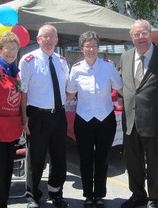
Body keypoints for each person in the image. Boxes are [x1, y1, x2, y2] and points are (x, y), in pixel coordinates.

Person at [118, 19, 158, 208]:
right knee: (132, 161)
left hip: (155, 121)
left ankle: (156, 198)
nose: (140, 37)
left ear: (151, 34)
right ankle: (137, 194)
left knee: (155, 162)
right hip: (130, 120)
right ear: (131, 37)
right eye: (136, 34)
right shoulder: (125, 57)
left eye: (144, 33)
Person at [66, 31, 122, 208]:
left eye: (94, 46)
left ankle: (100, 194)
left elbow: (120, 88)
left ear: (98, 48)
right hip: (84, 119)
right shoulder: (75, 69)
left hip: (106, 118)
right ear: (82, 48)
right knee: (85, 159)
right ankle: (88, 195)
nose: (91, 49)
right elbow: (68, 94)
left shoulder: (108, 66)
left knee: (103, 159)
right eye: (87, 46)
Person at [19, 24, 69, 208]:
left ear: (57, 40)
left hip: (59, 115)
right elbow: (22, 91)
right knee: (36, 158)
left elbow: (67, 89)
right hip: (37, 115)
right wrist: (23, 117)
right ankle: (32, 195)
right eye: (44, 37)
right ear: (38, 39)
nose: (48, 40)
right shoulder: (28, 60)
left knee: (59, 157)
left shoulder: (62, 61)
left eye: (52, 37)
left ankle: (56, 192)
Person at [0, 32, 23, 208]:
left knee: (7, 173)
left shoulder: (16, 72)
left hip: (11, 131)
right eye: (8, 49)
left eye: (14, 49)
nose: (11, 53)